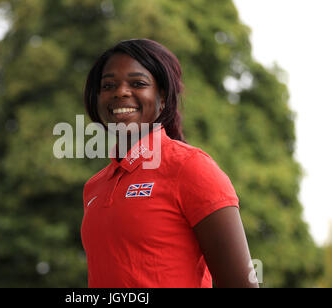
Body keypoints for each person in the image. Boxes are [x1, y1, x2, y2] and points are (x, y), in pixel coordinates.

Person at [81, 39, 258, 288]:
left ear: (162, 97)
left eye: (138, 83)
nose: (120, 92)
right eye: (108, 85)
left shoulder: (192, 169)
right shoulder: (94, 187)